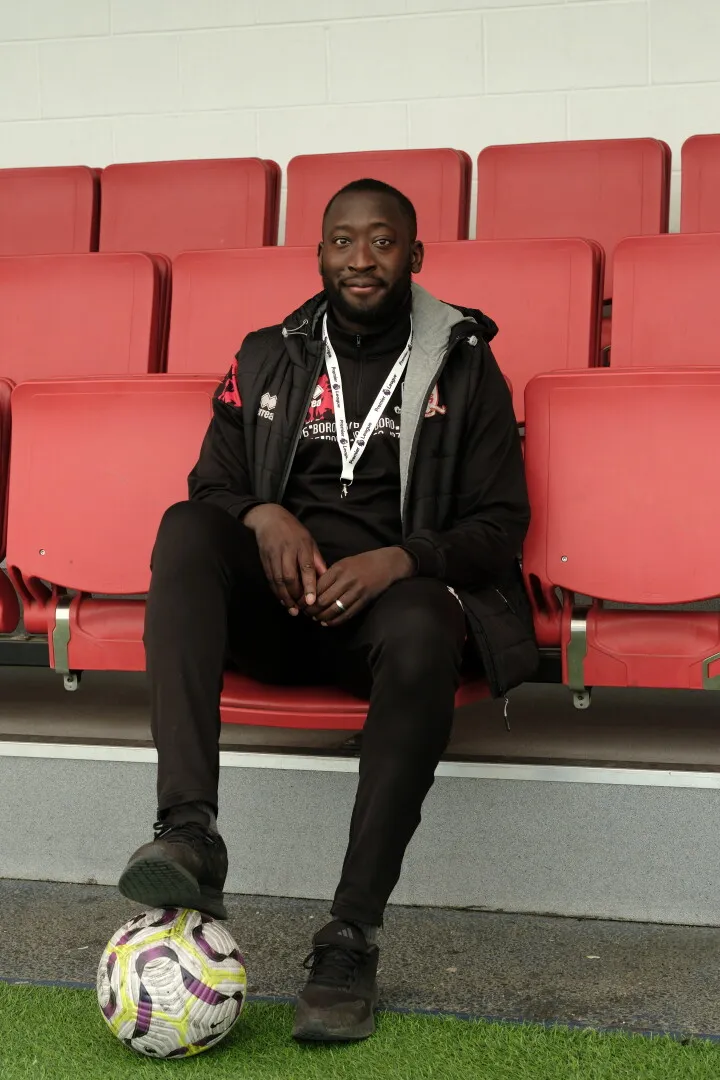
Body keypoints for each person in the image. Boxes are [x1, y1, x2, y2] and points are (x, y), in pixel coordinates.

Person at [118, 178, 538, 1043]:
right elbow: (213, 483)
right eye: (343, 241)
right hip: (280, 609)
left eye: (382, 242)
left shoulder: (464, 363)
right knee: (188, 529)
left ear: (414, 258)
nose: (360, 259)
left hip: (385, 622)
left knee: (426, 623)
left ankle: (350, 936)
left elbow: (500, 529)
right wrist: (260, 514)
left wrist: (400, 560)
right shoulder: (267, 355)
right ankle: (189, 834)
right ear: (319, 254)